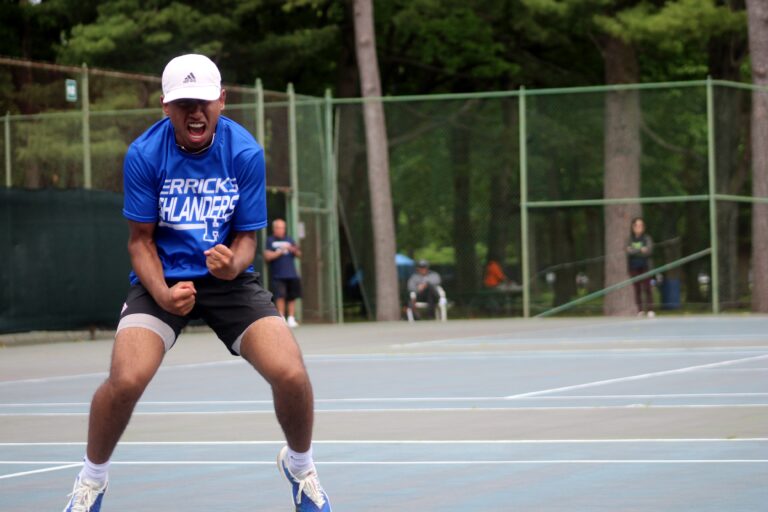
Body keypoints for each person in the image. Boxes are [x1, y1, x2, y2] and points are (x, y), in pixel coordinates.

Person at [62, 54, 331, 512]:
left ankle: (301, 467)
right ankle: (92, 480)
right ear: (166, 106)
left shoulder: (244, 153)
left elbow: (247, 239)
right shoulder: (144, 155)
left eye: (204, 101)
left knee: (291, 373)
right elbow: (140, 242)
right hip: (161, 279)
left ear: (221, 100)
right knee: (126, 380)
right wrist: (163, 293)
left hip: (228, 281)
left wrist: (232, 266)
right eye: (184, 103)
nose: (196, 112)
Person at [264, 218, 303, 328]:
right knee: (280, 296)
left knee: (292, 296)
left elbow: (299, 254)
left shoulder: (290, 239)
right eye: (278, 228)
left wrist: (293, 249)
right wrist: (280, 251)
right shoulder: (270, 240)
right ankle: (282, 318)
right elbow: (267, 256)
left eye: (282, 228)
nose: (281, 230)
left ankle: (291, 318)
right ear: (274, 229)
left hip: (292, 274)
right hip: (278, 275)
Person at [626, 217, 655, 318]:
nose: (639, 227)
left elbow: (649, 251)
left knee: (647, 288)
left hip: (645, 266)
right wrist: (640, 250)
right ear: (633, 227)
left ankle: (650, 310)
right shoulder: (630, 239)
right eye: (637, 225)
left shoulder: (647, 238)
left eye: (641, 225)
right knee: (637, 289)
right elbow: (629, 251)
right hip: (633, 267)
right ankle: (640, 310)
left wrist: (636, 250)